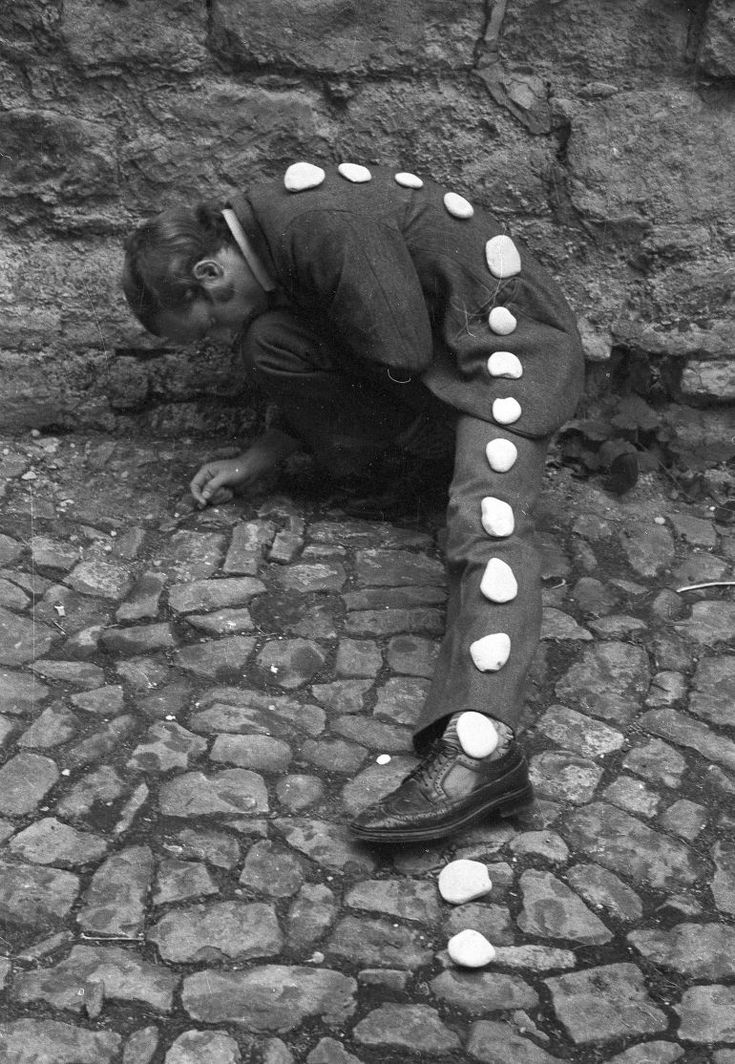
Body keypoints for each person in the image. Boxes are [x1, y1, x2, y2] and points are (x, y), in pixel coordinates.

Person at [122, 160, 585, 844]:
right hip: (442, 358)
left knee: (483, 525)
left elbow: (394, 345)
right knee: (270, 340)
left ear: (211, 275)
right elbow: (355, 336)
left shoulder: (317, 226)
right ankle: (420, 456)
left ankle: (482, 748)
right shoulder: (270, 226)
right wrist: (265, 453)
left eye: (205, 326)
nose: (216, 339)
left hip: (503, 359)